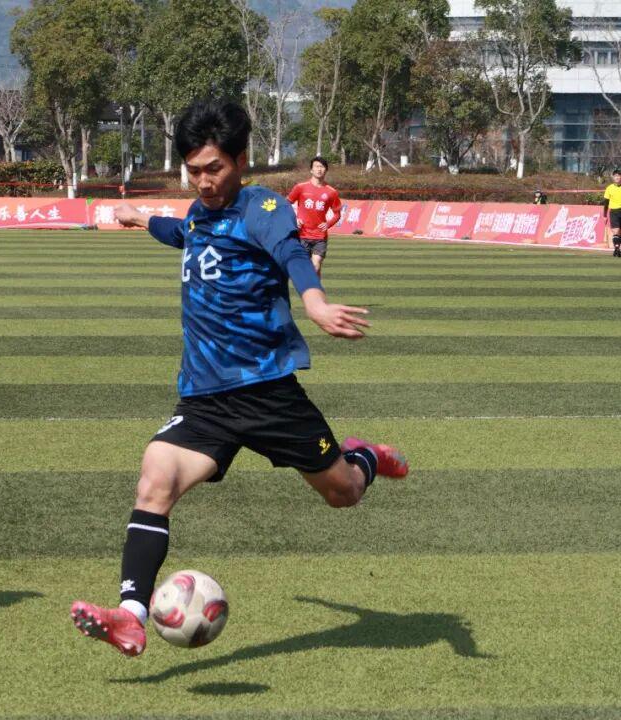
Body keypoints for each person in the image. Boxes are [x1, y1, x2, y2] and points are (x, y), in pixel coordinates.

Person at [69, 100, 408, 658]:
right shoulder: (200, 212)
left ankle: (367, 456)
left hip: (269, 392)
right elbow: (185, 234)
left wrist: (315, 302)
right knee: (154, 479)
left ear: (241, 160)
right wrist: (140, 218)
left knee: (343, 493)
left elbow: (291, 253)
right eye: (193, 171)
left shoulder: (263, 207)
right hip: (205, 397)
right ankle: (131, 615)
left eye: (214, 169)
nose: (204, 182)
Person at [287, 156, 342, 277]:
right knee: (305, 268)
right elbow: (286, 204)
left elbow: (337, 213)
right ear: (311, 170)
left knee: (316, 265)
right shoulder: (300, 187)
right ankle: (314, 286)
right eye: (316, 166)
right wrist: (294, 219)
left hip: (320, 236)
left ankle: (314, 288)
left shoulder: (331, 192)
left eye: (322, 167)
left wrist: (328, 224)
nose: (319, 169)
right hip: (302, 234)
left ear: (326, 170)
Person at [603, 170, 621, 257]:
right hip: (614, 212)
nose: (617, 177)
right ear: (613, 177)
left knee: (619, 233)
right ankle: (617, 248)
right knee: (616, 231)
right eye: (615, 176)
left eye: (619, 176)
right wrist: (604, 215)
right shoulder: (609, 188)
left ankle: (617, 249)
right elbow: (606, 203)